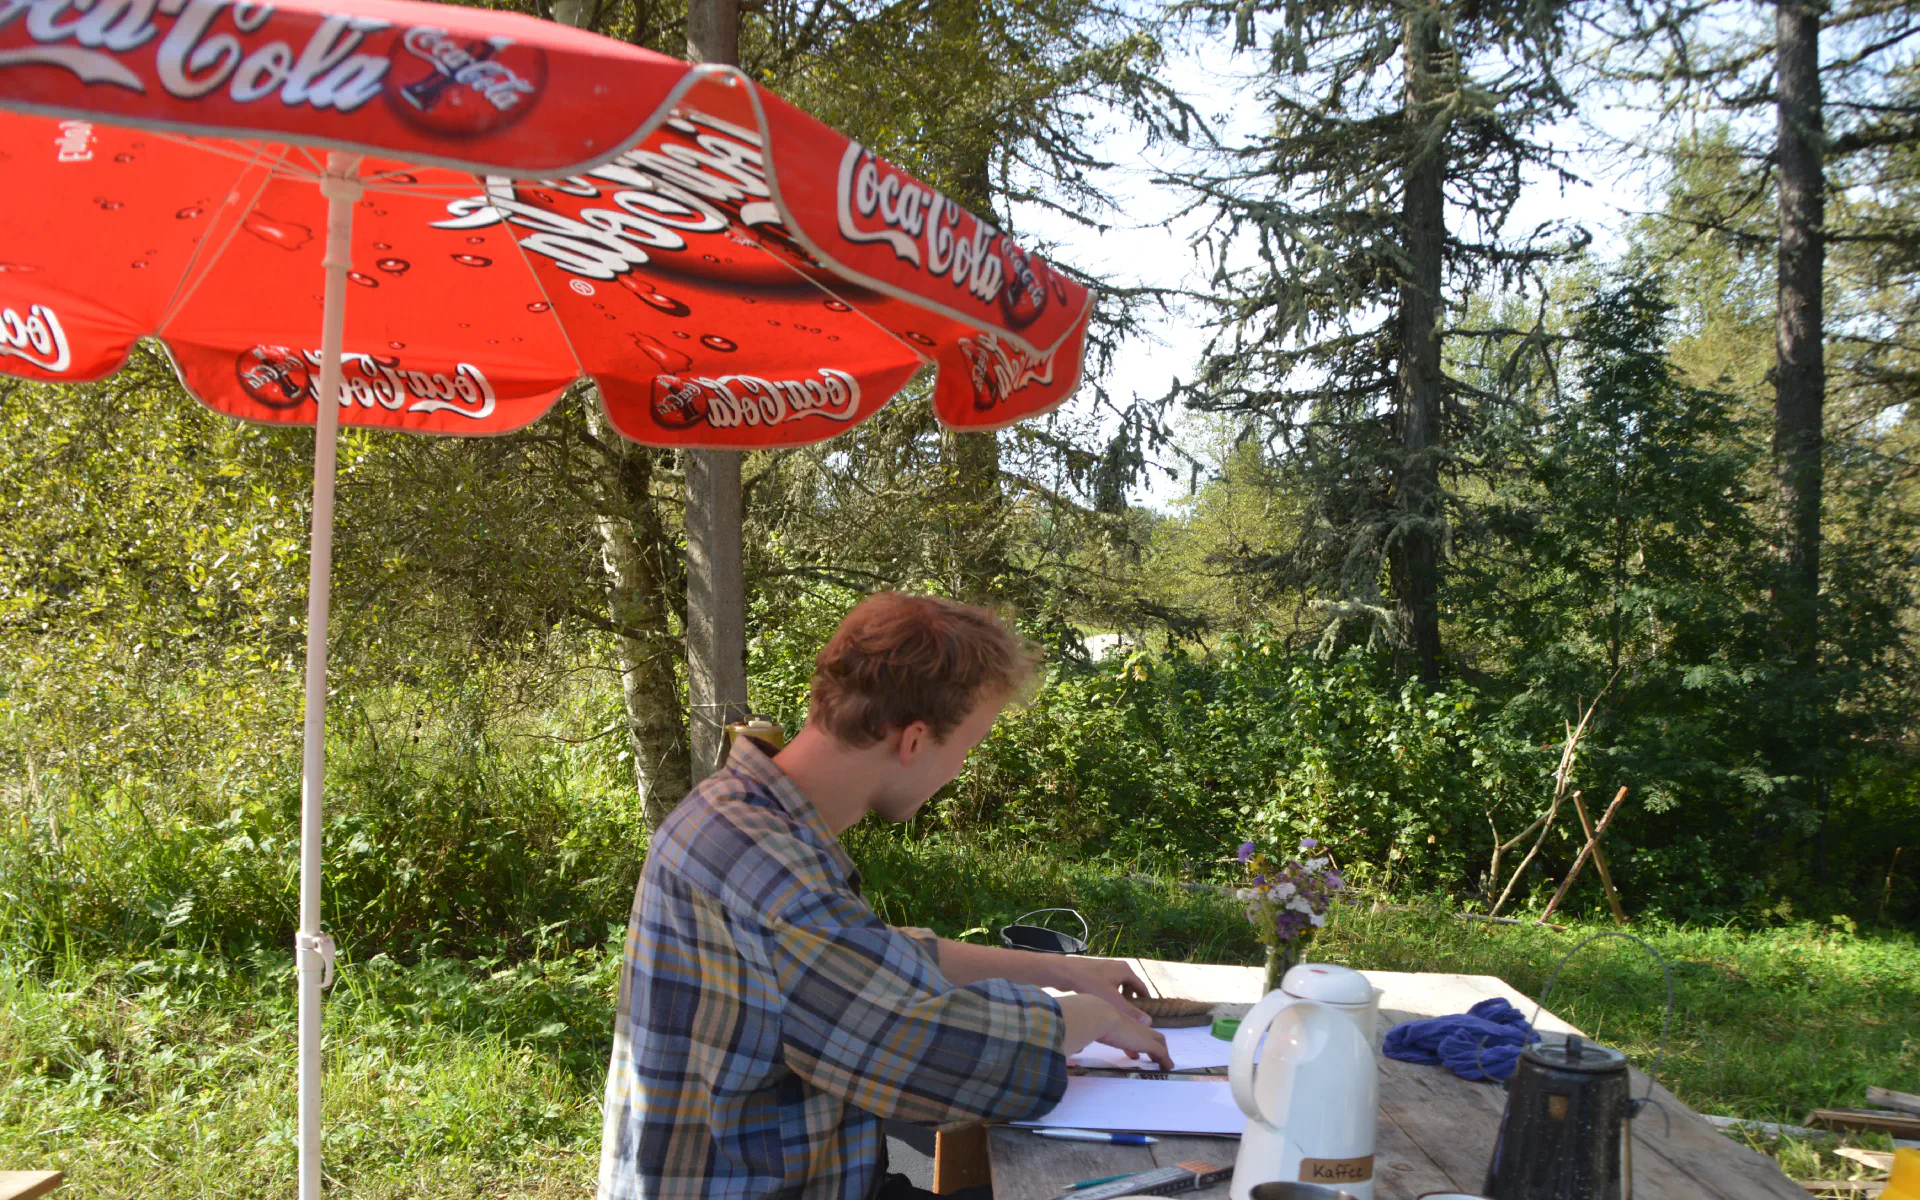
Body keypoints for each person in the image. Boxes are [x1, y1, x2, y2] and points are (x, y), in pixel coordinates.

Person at [598, 591, 1171, 1200]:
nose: (958, 771)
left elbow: (861, 957)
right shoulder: (768, 865)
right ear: (915, 740)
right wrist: (1082, 1019)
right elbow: (924, 1054)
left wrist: (1060, 971)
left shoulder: (742, 812)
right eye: (967, 748)